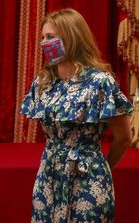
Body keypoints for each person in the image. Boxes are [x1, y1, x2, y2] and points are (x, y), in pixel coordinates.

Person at [20, 8, 133, 222]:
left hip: (88, 176)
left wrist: (101, 167)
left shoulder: (100, 82)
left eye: (51, 37)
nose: (44, 43)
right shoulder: (43, 82)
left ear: (72, 38)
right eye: (43, 38)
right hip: (49, 176)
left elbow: (124, 137)